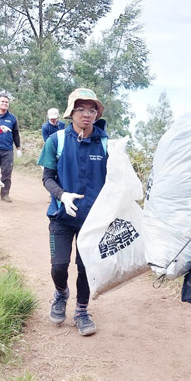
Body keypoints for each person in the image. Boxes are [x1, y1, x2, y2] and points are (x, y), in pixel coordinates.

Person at [36, 88, 107, 336]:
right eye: (81, 109)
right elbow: (47, 177)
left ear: (97, 114)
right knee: (59, 266)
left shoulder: (106, 144)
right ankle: (61, 293)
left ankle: (81, 311)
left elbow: (117, 181)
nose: (86, 114)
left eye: (92, 109)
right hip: (61, 217)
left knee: (86, 268)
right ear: (71, 113)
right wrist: (62, 195)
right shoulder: (56, 141)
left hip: (93, 221)